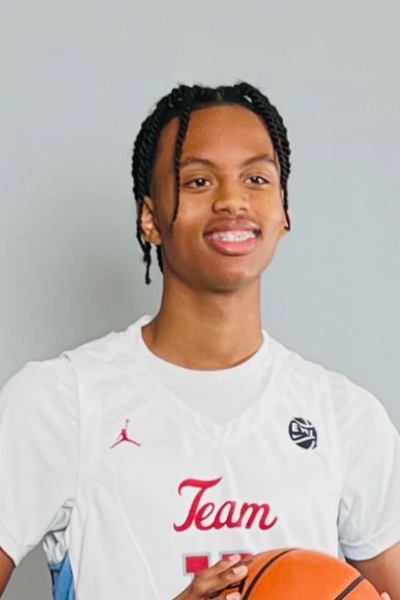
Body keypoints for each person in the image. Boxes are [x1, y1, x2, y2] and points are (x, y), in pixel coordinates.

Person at [0, 83, 399, 600]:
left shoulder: (344, 417)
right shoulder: (61, 401)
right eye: (198, 181)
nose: (232, 200)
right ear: (150, 219)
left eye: (257, 179)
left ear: (283, 211)